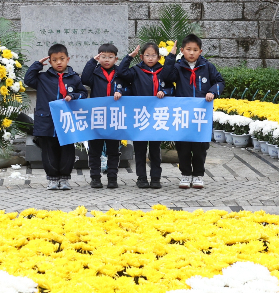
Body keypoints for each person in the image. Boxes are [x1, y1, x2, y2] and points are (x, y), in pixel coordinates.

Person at [160, 34, 224, 189]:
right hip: (183, 114)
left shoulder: (207, 67)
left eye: (195, 50)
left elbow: (219, 82)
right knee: (183, 146)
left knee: (200, 147)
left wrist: (212, 92)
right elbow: (166, 77)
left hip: (201, 115)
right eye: (188, 49)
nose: (191, 52)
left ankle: (198, 175)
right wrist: (171, 56)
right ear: (182, 50)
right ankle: (185, 174)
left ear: (200, 51)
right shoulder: (178, 67)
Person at [24, 43, 87, 190]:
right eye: (54, 60)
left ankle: (64, 179)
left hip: (67, 121)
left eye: (62, 59)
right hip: (47, 120)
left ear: (68, 59)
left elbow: (83, 93)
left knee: (67, 150)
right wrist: (37, 65)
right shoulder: (43, 78)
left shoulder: (74, 78)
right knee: (48, 150)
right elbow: (28, 79)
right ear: (50, 61)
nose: (59, 62)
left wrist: (73, 96)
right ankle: (52, 179)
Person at [117, 43, 170, 189]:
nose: (150, 58)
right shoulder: (136, 71)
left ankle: (156, 178)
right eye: (147, 55)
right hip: (140, 116)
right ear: (141, 57)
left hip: (157, 116)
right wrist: (129, 57)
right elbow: (121, 72)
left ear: (158, 57)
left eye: (153, 55)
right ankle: (141, 178)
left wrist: (165, 92)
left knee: (155, 149)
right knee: (140, 149)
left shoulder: (163, 72)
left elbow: (171, 87)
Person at [80, 43, 127, 189]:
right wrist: (92, 62)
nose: (107, 60)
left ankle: (112, 178)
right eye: (103, 57)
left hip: (114, 117)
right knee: (95, 150)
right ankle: (95, 178)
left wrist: (121, 92)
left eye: (110, 57)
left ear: (116, 59)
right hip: (97, 116)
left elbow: (128, 86)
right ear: (99, 57)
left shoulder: (120, 73)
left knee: (113, 150)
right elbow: (84, 79)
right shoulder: (95, 73)